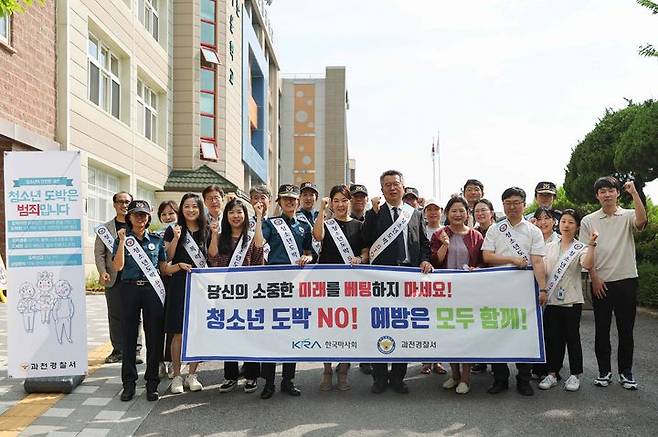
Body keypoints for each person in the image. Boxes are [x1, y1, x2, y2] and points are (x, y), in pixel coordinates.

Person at [363, 170, 433, 394]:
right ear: (382, 190)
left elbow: (424, 243)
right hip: (382, 278)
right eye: (387, 185)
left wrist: (424, 260)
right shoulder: (375, 212)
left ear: (403, 187)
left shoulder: (415, 214)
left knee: (404, 327)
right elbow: (365, 239)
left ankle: (398, 377)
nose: (392, 188)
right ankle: (379, 377)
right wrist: (372, 214)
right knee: (380, 325)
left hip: (408, 276)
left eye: (396, 184)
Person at [580, 177, 647, 390]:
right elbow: (584, 252)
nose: (607, 194)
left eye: (610, 190)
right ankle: (604, 371)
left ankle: (626, 373)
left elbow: (641, 222)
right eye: (602, 191)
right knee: (602, 329)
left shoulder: (627, 215)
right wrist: (595, 277)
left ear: (618, 193)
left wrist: (635, 193)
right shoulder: (589, 220)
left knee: (626, 330)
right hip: (601, 281)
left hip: (626, 280)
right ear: (597, 195)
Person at [482, 187, 547, 396]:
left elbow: (537, 261)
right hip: (497, 288)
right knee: (497, 332)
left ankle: (524, 379)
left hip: (524, 290)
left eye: (516, 202)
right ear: (503, 205)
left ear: (524, 204)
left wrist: (543, 288)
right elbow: (487, 257)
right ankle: (500, 378)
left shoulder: (533, 231)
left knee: (523, 333)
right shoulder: (495, 229)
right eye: (508, 203)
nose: (512, 206)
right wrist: (511, 260)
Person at [112, 200, 171, 402]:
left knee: (154, 337)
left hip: (151, 290)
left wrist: (179, 266)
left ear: (148, 218)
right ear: (129, 217)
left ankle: (152, 382)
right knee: (129, 337)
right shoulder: (123, 239)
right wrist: (120, 242)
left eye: (144, 215)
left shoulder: (156, 240)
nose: (140, 218)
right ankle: (128, 384)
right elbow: (118, 266)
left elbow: (163, 268)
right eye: (136, 214)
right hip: (128, 289)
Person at [260, 184, 314, 399]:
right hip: (274, 285)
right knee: (272, 333)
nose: (290, 202)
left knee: (292, 331)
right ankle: (269, 382)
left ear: (298, 202)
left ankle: (288, 380)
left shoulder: (304, 225)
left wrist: (308, 257)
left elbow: (309, 252)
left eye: (293, 199)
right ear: (279, 203)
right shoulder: (271, 224)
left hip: (296, 285)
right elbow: (258, 243)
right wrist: (258, 216)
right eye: (285, 199)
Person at [313, 185, 369, 391]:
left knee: (349, 328)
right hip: (328, 284)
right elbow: (317, 236)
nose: (340, 205)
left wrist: (360, 259)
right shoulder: (326, 224)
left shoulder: (359, 225)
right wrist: (321, 210)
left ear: (349, 202)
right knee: (328, 328)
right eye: (336, 201)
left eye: (344, 200)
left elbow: (366, 251)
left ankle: (344, 371)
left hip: (352, 285)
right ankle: (327, 370)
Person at [208, 198, 265, 394]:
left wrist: (258, 217)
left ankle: (251, 376)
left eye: (239, 212)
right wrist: (214, 234)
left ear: (245, 215)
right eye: (231, 212)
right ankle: (230, 376)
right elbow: (213, 258)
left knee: (250, 333)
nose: (236, 216)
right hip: (227, 294)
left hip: (249, 293)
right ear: (227, 216)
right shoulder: (222, 236)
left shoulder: (250, 237)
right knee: (229, 333)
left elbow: (259, 251)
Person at [538, 209, 597, 392]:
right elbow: (544, 270)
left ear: (577, 226)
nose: (566, 225)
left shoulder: (581, 248)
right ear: (558, 224)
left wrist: (592, 245)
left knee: (572, 338)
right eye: (563, 221)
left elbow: (587, 265)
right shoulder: (549, 247)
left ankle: (575, 374)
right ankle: (552, 373)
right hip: (552, 299)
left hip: (571, 300)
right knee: (553, 338)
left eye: (571, 222)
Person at [430, 197, 484, 394]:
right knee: (449, 334)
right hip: (444, 293)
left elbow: (482, 262)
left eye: (461, 211)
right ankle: (454, 376)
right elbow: (434, 262)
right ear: (447, 214)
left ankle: (466, 379)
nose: (458, 214)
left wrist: (475, 269)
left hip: (467, 293)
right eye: (453, 211)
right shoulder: (438, 234)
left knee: (465, 334)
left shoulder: (476, 236)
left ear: (467, 213)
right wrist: (444, 244)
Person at [164, 193, 210, 394]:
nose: (191, 210)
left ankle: (192, 374)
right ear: (181, 209)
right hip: (179, 283)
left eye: (195, 206)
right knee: (179, 332)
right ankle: (176, 376)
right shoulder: (173, 229)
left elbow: (213, 256)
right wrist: (175, 237)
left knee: (197, 330)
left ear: (200, 209)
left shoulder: (207, 230)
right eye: (187, 206)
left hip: (200, 285)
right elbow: (168, 257)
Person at [94, 191, 143, 364]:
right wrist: (101, 271)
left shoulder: (138, 223)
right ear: (114, 205)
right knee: (115, 314)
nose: (124, 205)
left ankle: (135, 350)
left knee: (135, 315)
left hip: (134, 277)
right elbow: (99, 253)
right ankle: (118, 350)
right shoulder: (105, 229)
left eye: (128, 202)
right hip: (113, 277)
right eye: (121, 202)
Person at [420, 198, 447, 376]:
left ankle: (437, 360)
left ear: (441, 211)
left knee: (439, 322)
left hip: (442, 283)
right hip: (421, 281)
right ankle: (425, 360)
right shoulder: (420, 229)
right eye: (429, 209)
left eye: (435, 209)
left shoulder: (447, 231)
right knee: (424, 321)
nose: (432, 213)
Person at [471, 198, 497, 374]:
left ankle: (498, 366)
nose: (480, 214)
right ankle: (480, 360)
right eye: (477, 211)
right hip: (477, 285)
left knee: (493, 325)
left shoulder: (500, 231)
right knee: (477, 323)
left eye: (483, 210)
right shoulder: (473, 232)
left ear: (492, 213)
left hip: (496, 283)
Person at [156, 200, 179, 379]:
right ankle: (158, 361)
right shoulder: (155, 235)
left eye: (171, 213)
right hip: (159, 282)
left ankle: (171, 361)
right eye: (163, 214)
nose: (167, 217)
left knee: (172, 323)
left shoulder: (182, 231)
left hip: (175, 281)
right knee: (157, 322)